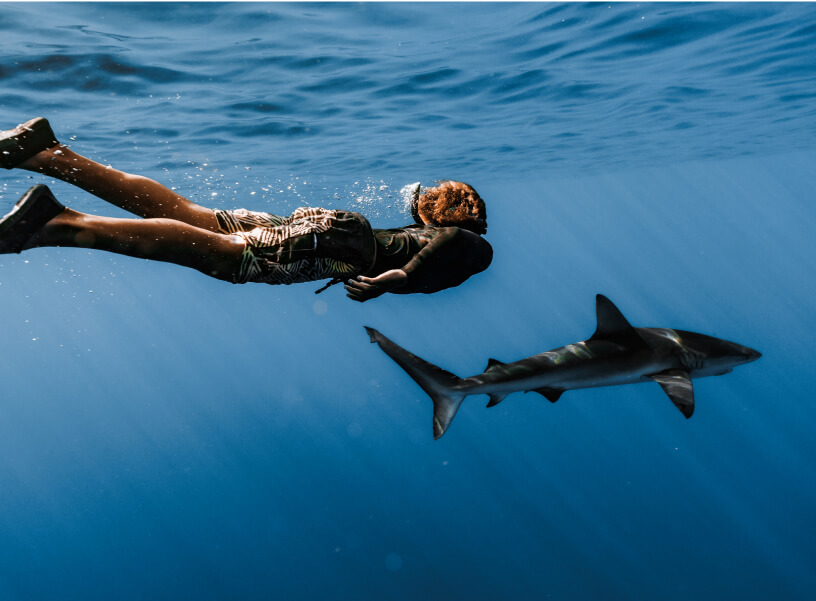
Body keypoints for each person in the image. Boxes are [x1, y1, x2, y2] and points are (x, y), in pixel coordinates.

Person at [0, 117, 491, 302]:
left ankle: (48, 155)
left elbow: (440, 242)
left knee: (190, 215)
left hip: (329, 232)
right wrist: (393, 281)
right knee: (223, 256)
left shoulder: (428, 234)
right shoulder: (474, 245)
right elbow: (453, 243)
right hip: (342, 247)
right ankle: (57, 223)